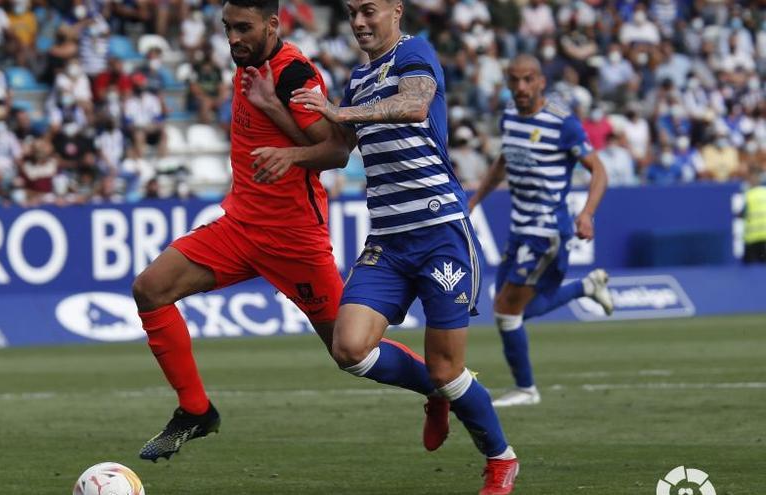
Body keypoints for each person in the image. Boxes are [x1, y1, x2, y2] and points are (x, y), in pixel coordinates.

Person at [131, 0, 439, 465]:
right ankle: (195, 410)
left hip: (293, 239)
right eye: (227, 28)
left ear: (272, 25)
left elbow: (335, 152)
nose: (233, 38)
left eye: (244, 28)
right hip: (239, 226)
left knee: (349, 352)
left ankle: (436, 385)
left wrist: (273, 110)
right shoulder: (247, 64)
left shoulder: (293, 74)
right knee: (150, 289)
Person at [243, 0, 518, 492]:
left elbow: (413, 107)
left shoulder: (416, 53)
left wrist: (337, 110)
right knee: (348, 348)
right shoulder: (358, 79)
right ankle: (433, 390)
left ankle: (500, 458)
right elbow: (336, 149)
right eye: (351, 14)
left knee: (448, 368)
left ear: (396, 11)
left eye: (369, 11)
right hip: (388, 240)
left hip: (440, 234)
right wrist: (286, 140)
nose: (359, 23)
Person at [466, 55, 613, 408]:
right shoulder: (510, 117)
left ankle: (526, 389)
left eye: (528, 80)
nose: (520, 88)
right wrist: (474, 202)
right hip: (519, 229)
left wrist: (588, 214)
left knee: (506, 311)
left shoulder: (563, 123)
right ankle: (585, 287)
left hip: (546, 230)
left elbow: (599, 171)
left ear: (541, 82)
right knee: (511, 311)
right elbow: (504, 162)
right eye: (514, 81)